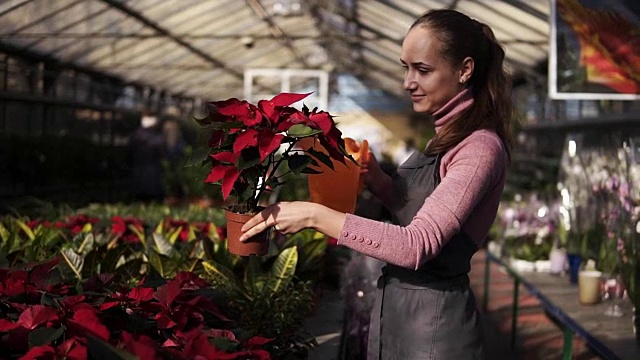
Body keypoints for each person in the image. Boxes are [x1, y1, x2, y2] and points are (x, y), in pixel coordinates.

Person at [240, 8, 513, 360]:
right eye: (405, 67)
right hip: (398, 317)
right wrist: (379, 182)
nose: (407, 82)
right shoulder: (444, 138)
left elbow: (417, 244)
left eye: (423, 70)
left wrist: (312, 215)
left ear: (465, 70)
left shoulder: (478, 149)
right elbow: (421, 212)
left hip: (433, 334)